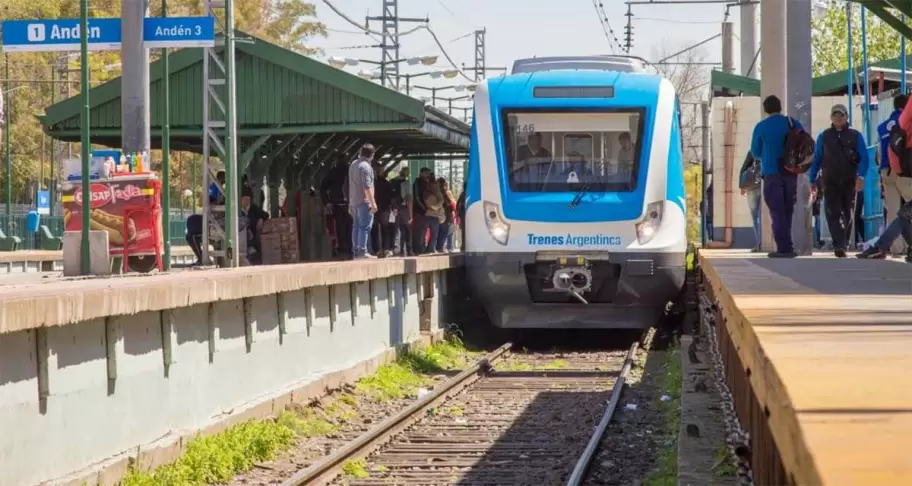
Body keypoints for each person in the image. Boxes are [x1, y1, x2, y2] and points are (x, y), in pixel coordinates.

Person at [808, 103, 869, 258]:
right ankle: (839, 245)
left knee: (848, 212)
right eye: (835, 114)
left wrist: (861, 177)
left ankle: (844, 242)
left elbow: (864, 158)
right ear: (831, 117)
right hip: (830, 181)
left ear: (846, 117)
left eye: (841, 115)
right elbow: (817, 158)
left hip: (850, 181)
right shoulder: (824, 136)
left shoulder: (855, 136)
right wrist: (812, 179)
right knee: (833, 212)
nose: (838, 117)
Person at [750, 95, 802, 258]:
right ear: (780, 107)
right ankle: (788, 244)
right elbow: (804, 142)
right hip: (791, 171)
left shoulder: (761, 126)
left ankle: (784, 248)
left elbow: (755, 151)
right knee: (788, 209)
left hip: (772, 172)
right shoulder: (792, 123)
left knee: (777, 210)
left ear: (765, 109)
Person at [879, 94, 912, 256]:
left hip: (887, 170)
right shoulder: (907, 122)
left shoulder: (883, 126)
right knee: (909, 210)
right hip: (905, 171)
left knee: (893, 209)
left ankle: (896, 248)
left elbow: (880, 153)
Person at [343, 144, 378, 259]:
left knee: (356, 226)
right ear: (372, 155)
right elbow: (367, 186)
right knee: (365, 226)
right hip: (364, 201)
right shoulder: (366, 167)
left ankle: (356, 252)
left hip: (353, 201)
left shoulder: (353, 164)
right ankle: (363, 251)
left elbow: (350, 185)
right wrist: (373, 203)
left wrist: (349, 203)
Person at [320, 155, 353, 258]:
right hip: (350, 204)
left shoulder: (332, 172)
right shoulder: (351, 172)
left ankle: (343, 249)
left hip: (336, 204)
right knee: (351, 227)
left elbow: (322, 188)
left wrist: (327, 202)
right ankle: (350, 249)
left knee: (340, 228)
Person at [738, 152, 762, 252]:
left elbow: (744, 168)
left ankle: (759, 243)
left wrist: (742, 186)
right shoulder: (770, 150)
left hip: (752, 187)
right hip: (766, 185)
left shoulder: (753, 151)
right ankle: (765, 243)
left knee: (755, 216)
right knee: (762, 216)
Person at [371, 162, 396, 257]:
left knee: (374, 230)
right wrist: (393, 207)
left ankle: (376, 250)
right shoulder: (385, 182)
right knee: (385, 229)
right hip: (383, 208)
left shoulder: (370, 182)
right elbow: (392, 195)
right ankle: (385, 249)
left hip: (373, 208)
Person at [240, 187, 269, 263]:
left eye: (248, 199)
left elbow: (266, 215)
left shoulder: (254, 208)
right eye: (244, 199)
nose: (246, 201)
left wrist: (261, 219)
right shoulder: (237, 209)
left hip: (253, 236)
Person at [390, 167, 412, 256]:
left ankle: (396, 249)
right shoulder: (406, 183)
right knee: (406, 229)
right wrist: (410, 214)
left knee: (396, 228)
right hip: (404, 208)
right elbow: (409, 199)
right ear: (407, 174)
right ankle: (407, 250)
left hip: (393, 208)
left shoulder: (391, 182)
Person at [412, 167, 432, 254]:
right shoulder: (417, 182)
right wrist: (423, 208)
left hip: (425, 211)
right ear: (421, 173)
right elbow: (416, 197)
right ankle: (418, 249)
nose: (428, 175)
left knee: (423, 230)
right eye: (426, 173)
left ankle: (422, 248)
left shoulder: (426, 183)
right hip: (419, 211)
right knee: (419, 231)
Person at [423, 179, 446, 255]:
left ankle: (425, 248)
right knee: (434, 234)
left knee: (425, 234)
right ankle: (431, 249)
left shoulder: (425, 192)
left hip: (427, 215)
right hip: (435, 215)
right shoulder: (438, 193)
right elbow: (441, 202)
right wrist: (435, 207)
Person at [436, 178, 457, 253]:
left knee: (440, 232)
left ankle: (440, 247)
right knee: (445, 232)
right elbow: (449, 203)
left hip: (439, 215)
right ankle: (441, 247)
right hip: (446, 215)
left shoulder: (436, 192)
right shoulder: (445, 193)